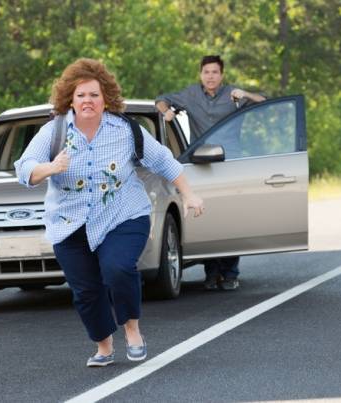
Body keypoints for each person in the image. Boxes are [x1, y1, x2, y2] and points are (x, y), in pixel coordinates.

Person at [14, 58, 204, 367]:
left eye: (94, 95)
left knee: (117, 269)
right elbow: (24, 169)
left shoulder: (126, 130)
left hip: (123, 214)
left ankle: (132, 330)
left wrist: (190, 193)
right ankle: (104, 346)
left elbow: (163, 160)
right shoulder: (54, 132)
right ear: (70, 100)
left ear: (106, 100)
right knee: (85, 290)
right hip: (69, 222)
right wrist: (51, 167)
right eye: (81, 95)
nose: (87, 101)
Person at [155, 55, 265, 291]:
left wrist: (244, 94)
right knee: (207, 217)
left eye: (215, 72)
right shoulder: (191, 94)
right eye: (206, 72)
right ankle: (212, 273)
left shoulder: (232, 94)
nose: (210, 76)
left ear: (221, 75)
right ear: (201, 74)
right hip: (202, 165)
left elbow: (264, 101)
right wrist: (167, 112)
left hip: (230, 164)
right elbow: (161, 100)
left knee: (231, 218)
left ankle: (230, 273)